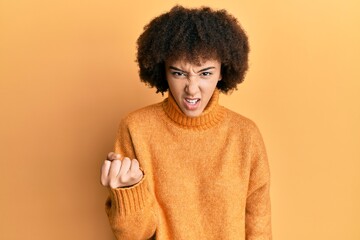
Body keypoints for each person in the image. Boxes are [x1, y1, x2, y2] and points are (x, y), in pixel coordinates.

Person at [100, 5, 272, 240]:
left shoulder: (245, 135)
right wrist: (130, 190)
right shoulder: (136, 128)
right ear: (164, 71)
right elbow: (134, 235)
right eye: (179, 73)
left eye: (205, 73)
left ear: (222, 71)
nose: (192, 89)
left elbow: (259, 229)